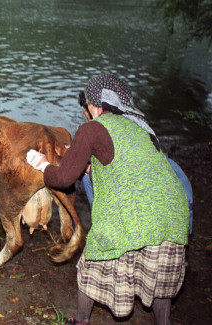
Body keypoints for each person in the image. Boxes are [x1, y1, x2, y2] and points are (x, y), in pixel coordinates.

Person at [26, 73, 189, 325]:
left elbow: (62, 179)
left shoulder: (92, 128)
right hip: (174, 215)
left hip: (137, 216)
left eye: (88, 102)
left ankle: (80, 320)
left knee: (92, 262)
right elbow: (131, 167)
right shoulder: (140, 127)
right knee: (157, 280)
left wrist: (43, 164)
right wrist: (89, 167)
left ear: (96, 104)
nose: (87, 108)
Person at [78, 91, 194, 234]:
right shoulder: (132, 122)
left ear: (92, 110)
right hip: (178, 219)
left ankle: (105, 228)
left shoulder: (99, 130)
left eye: (86, 113)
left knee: (87, 178)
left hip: (142, 225)